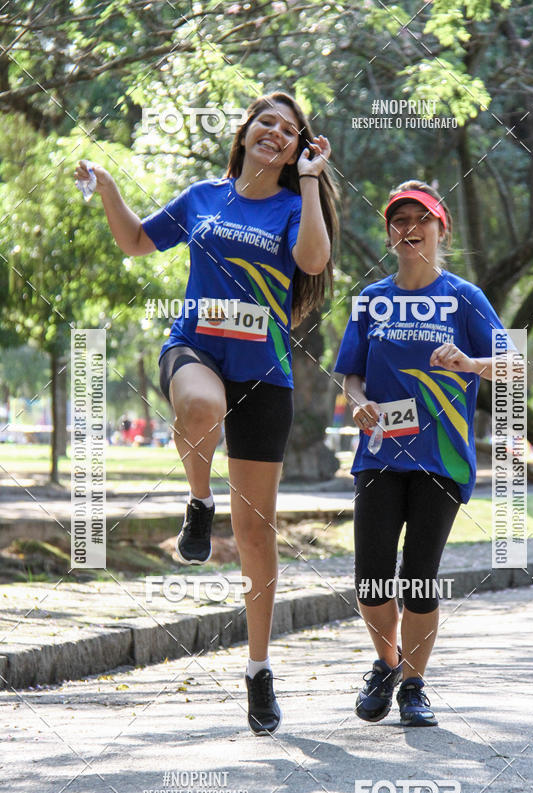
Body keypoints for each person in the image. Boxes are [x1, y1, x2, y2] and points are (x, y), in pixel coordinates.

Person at [75, 91, 338, 735]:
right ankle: (199, 501)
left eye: (290, 130)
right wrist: (109, 187)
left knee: (256, 535)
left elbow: (313, 261)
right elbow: (137, 241)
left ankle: (258, 667)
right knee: (198, 404)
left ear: (296, 150)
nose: (275, 132)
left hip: (265, 374)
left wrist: (310, 182)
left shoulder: (292, 206)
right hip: (194, 347)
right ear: (244, 133)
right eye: (265, 122)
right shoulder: (202, 197)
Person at [335, 180, 511, 727]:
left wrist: (470, 364)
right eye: (399, 220)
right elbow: (350, 374)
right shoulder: (372, 299)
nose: (409, 228)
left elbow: (515, 366)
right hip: (380, 454)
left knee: (418, 576)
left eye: (421, 219)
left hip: (442, 458)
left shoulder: (465, 298)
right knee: (370, 578)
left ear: (441, 230)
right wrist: (359, 403)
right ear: (389, 233)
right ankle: (387, 665)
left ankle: (413, 685)